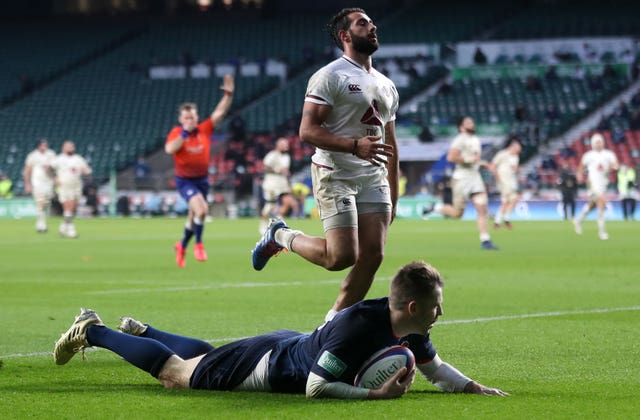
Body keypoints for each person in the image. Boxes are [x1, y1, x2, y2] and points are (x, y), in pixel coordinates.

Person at [53, 261, 508, 399]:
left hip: (286, 345)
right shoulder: (357, 328)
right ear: (413, 306)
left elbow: (434, 369)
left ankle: (145, 329)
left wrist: (472, 388)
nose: (441, 313)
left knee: (210, 358)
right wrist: (374, 396)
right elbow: (315, 387)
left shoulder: (408, 329)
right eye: (437, 306)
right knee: (179, 374)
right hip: (271, 367)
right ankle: (94, 331)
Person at [251, 8, 399, 322]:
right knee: (341, 257)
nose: (372, 27)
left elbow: (391, 146)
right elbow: (307, 131)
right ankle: (281, 236)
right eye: (363, 23)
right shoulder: (329, 76)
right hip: (337, 174)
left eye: (372, 22)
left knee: (373, 255)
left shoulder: (387, 85)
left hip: (374, 178)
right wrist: (354, 146)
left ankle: (332, 325)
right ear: (345, 36)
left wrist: (394, 194)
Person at [165, 75, 234, 268]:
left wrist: (228, 95)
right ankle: (199, 245)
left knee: (193, 217)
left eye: (192, 116)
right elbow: (170, 149)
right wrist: (184, 133)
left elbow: (219, 113)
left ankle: (181, 246)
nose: (190, 120)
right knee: (202, 210)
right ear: (181, 119)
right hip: (185, 181)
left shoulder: (204, 129)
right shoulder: (177, 133)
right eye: (186, 117)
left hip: (202, 181)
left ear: (196, 117)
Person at [424, 116, 498, 250]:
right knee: (458, 214)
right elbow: (451, 157)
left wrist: (484, 164)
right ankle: (435, 208)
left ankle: (485, 240)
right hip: (462, 179)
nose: (472, 123)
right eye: (468, 122)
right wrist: (469, 160)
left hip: (475, 178)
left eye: (472, 121)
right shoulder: (459, 140)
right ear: (462, 127)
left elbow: (474, 160)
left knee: (482, 208)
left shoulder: (475, 140)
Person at [573, 133, 619, 240]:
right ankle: (601, 232)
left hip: (603, 184)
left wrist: (615, 167)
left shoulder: (609, 154)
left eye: (599, 142)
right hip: (592, 184)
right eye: (596, 143)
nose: (598, 144)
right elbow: (581, 167)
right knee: (602, 202)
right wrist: (579, 175)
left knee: (593, 205)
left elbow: (615, 164)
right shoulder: (588, 155)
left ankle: (578, 220)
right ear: (593, 144)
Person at [51, 141, 92, 238]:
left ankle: (63, 226)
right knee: (68, 206)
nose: (70, 148)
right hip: (64, 185)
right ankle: (71, 230)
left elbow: (86, 169)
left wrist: (85, 171)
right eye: (68, 146)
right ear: (63, 148)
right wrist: (54, 179)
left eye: (72, 146)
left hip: (76, 185)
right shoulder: (58, 159)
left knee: (73, 208)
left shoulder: (78, 159)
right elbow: (50, 169)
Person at [258, 137, 298, 233]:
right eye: (284, 144)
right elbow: (264, 167)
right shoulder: (271, 155)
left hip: (282, 184)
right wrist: (277, 170)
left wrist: (288, 182)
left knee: (288, 202)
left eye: (287, 145)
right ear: (278, 145)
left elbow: (285, 171)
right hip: (271, 184)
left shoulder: (287, 157)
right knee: (270, 205)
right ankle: (263, 224)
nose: (286, 146)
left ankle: (278, 223)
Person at [23, 139, 56, 232]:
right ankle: (42, 224)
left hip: (49, 181)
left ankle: (40, 220)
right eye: (43, 145)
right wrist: (27, 183)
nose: (44, 147)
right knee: (40, 201)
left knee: (45, 202)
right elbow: (27, 170)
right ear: (39, 146)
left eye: (46, 145)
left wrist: (50, 169)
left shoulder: (51, 154)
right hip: (37, 181)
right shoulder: (32, 156)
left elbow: (55, 167)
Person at [490, 138, 522, 229]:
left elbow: (514, 169)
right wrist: (497, 177)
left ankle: (506, 219)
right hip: (503, 181)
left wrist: (518, 169)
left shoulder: (516, 157)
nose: (518, 152)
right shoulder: (502, 154)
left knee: (513, 200)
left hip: (512, 181)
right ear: (513, 147)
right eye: (518, 150)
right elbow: (493, 165)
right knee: (506, 201)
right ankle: (497, 222)